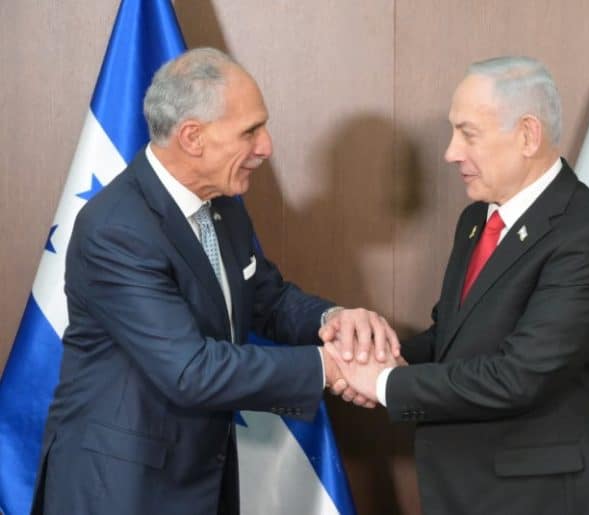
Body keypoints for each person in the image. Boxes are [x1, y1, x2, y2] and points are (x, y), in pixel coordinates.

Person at [31, 47, 396, 515]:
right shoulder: (117, 229)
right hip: (119, 488)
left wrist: (336, 320)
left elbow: (267, 298)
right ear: (192, 138)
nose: (266, 147)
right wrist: (332, 367)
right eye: (250, 131)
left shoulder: (222, 203)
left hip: (200, 476)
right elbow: (190, 370)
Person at [324, 56, 589, 515]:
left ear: (527, 135)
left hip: (546, 500)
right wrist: (378, 357)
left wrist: (387, 384)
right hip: (469, 489)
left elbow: (519, 377)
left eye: (468, 134)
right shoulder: (477, 220)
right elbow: (453, 338)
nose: (451, 152)